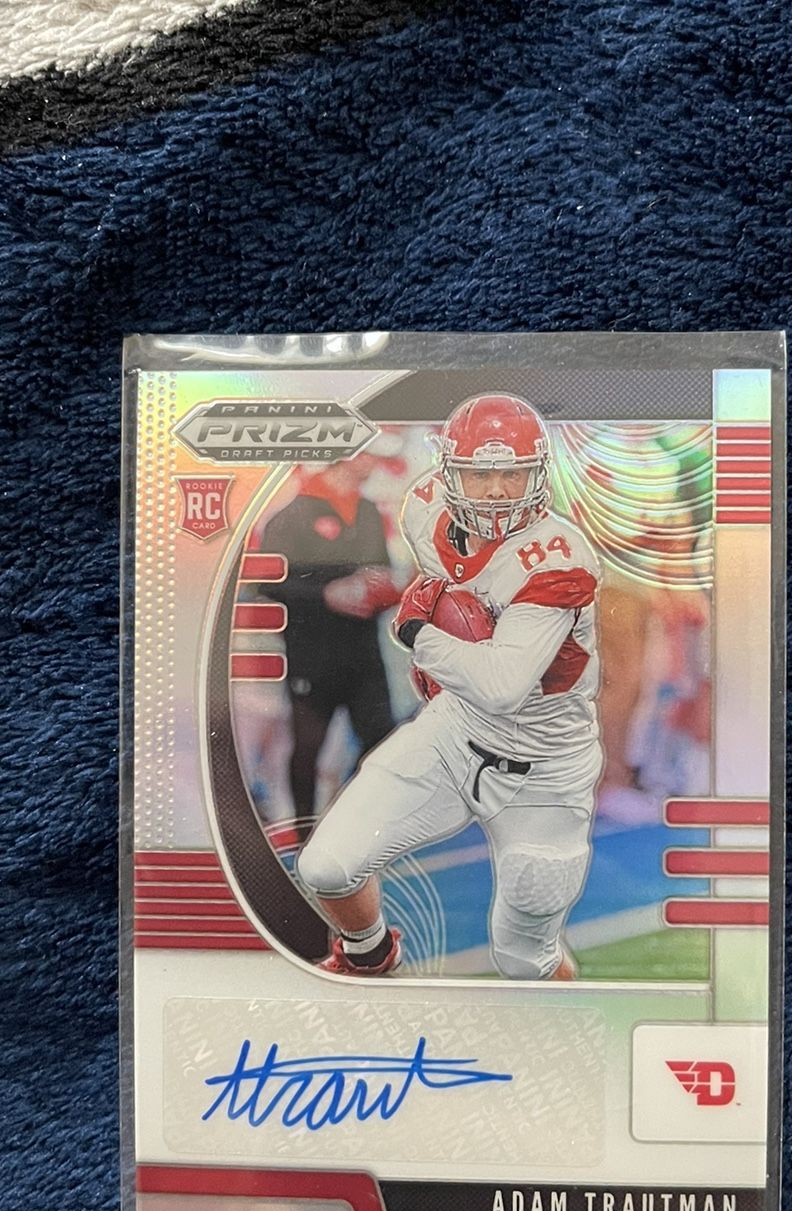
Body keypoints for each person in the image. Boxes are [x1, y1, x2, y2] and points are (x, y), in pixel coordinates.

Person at [295, 395, 602, 980]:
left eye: (512, 474)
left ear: (537, 474)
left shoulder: (556, 559)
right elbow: (449, 585)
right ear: (450, 472)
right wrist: (438, 610)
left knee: (525, 960)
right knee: (327, 868)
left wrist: (420, 633)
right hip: (455, 733)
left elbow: (501, 684)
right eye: (480, 474)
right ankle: (369, 954)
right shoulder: (426, 507)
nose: (496, 491)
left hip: (545, 769)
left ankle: (571, 1027)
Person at [255, 456, 399, 829]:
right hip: (311, 654)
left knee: (384, 741)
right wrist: (325, 594)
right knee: (308, 747)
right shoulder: (291, 515)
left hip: (364, 652)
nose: (374, 458)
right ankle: (304, 833)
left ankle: (343, 822)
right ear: (342, 458)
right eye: (366, 451)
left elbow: (380, 570)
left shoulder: (368, 511)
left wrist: (387, 589)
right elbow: (268, 584)